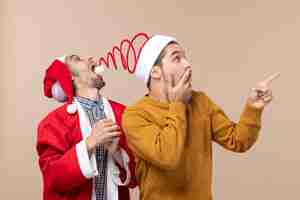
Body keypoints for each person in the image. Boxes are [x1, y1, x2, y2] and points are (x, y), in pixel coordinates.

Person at [121, 35, 279, 200]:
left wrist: (253, 108)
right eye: (177, 58)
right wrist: (178, 105)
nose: (187, 64)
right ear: (155, 72)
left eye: (185, 57)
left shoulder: (200, 101)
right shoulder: (135, 115)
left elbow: (238, 141)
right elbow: (167, 157)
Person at [37, 55, 137, 200]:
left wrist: (117, 152)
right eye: (77, 59)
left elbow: (138, 177)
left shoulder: (123, 114)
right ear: (69, 76)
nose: (91, 59)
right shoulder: (52, 123)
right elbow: (54, 179)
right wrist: (90, 143)